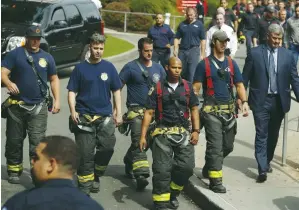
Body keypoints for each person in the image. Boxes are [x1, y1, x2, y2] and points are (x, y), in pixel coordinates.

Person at [1, 25, 60, 184]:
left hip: (39, 107)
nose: (35, 41)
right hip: (16, 107)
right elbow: (3, 72)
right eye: (32, 38)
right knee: (14, 140)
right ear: (26, 38)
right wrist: (8, 82)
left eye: (38, 39)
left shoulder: (47, 57)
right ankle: (14, 169)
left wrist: (58, 100)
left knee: (37, 143)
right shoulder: (14, 55)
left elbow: (54, 79)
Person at [193, 30, 249, 193]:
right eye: (221, 41)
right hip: (211, 114)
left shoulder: (231, 64)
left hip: (229, 113)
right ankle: (215, 181)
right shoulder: (203, 65)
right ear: (214, 42)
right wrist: (192, 109)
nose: (224, 44)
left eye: (226, 41)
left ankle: (209, 165)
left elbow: (239, 85)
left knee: (228, 146)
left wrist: (244, 101)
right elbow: (195, 88)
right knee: (216, 147)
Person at [140, 57, 199, 209]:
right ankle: (161, 202)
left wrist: (196, 131)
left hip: (183, 133)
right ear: (167, 68)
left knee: (186, 167)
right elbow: (149, 112)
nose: (177, 70)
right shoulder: (157, 88)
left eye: (179, 68)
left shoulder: (187, 87)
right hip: (162, 134)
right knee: (162, 169)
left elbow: (194, 109)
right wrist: (142, 136)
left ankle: (172, 193)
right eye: (174, 67)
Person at [242, 23, 299, 183]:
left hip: (279, 101)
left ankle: (266, 161)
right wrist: (242, 98)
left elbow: (294, 79)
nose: (277, 41)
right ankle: (262, 169)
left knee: (273, 135)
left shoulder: (287, 56)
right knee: (261, 134)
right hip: (260, 100)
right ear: (268, 36)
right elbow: (244, 78)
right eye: (274, 38)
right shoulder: (255, 53)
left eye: (279, 38)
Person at [67, 33, 122, 195]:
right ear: (90, 47)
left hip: (105, 117)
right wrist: (72, 111)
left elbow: (116, 91)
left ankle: (96, 174)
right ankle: (84, 188)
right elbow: (71, 92)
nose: (98, 51)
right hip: (84, 117)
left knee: (107, 148)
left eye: (101, 48)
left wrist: (118, 112)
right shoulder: (80, 68)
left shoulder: (109, 67)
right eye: (95, 48)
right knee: (85, 154)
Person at [2, 135, 104, 210]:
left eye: (36, 158)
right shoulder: (93, 206)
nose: (32, 162)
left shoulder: (20, 203)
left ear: (51, 165)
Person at [119, 37, 166, 190]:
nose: (149, 53)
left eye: (151, 50)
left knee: (148, 143)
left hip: (154, 114)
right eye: (146, 51)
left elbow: (165, 91)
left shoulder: (159, 69)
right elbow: (116, 89)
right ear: (139, 50)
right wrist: (116, 110)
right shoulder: (130, 68)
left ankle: (128, 160)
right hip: (136, 113)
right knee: (139, 140)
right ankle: (141, 175)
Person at [174, 7, 206, 83]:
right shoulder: (182, 24)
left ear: (195, 14)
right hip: (182, 51)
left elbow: (203, 40)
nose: (189, 17)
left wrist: (202, 54)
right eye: (188, 15)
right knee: (181, 72)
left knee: (192, 73)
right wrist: (175, 49)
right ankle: (181, 90)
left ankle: (190, 92)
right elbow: (176, 38)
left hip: (194, 51)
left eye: (191, 15)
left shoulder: (199, 25)